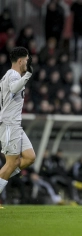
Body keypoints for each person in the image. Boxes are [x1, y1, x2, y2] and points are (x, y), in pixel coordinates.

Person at [0, 47, 36, 196]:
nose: (27, 63)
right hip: (9, 124)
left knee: (29, 157)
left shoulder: (10, 75)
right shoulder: (13, 74)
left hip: (15, 125)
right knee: (11, 163)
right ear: (20, 61)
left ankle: (2, 178)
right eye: (26, 60)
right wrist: (28, 75)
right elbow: (14, 88)